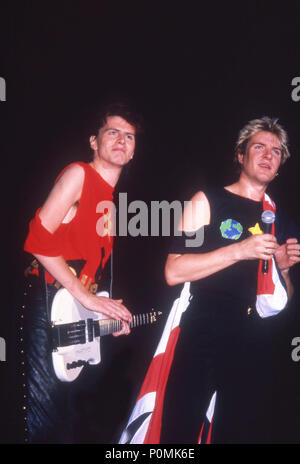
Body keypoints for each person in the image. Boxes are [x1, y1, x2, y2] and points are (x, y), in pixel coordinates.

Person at [160, 116, 300, 443]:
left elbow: (280, 301)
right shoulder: (206, 201)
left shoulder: (279, 218)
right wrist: (240, 250)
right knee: (178, 435)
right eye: (259, 148)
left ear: (281, 165)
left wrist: (283, 270)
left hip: (253, 342)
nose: (268, 156)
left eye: (276, 152)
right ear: (240, 155)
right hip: (202, 334)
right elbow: (173, 271)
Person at [21, 101, 143, 443]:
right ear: (94, 141)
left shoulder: (112, 203)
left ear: (134, 150)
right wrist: (87, 298)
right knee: (41, 418)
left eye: (129, 136)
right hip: (42, 301)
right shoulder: (79, 174)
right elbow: (37, 238)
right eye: (113, 133)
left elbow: (82, 272)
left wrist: (106, 311)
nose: (121, 141)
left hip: (66, 309)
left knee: (63, 420)